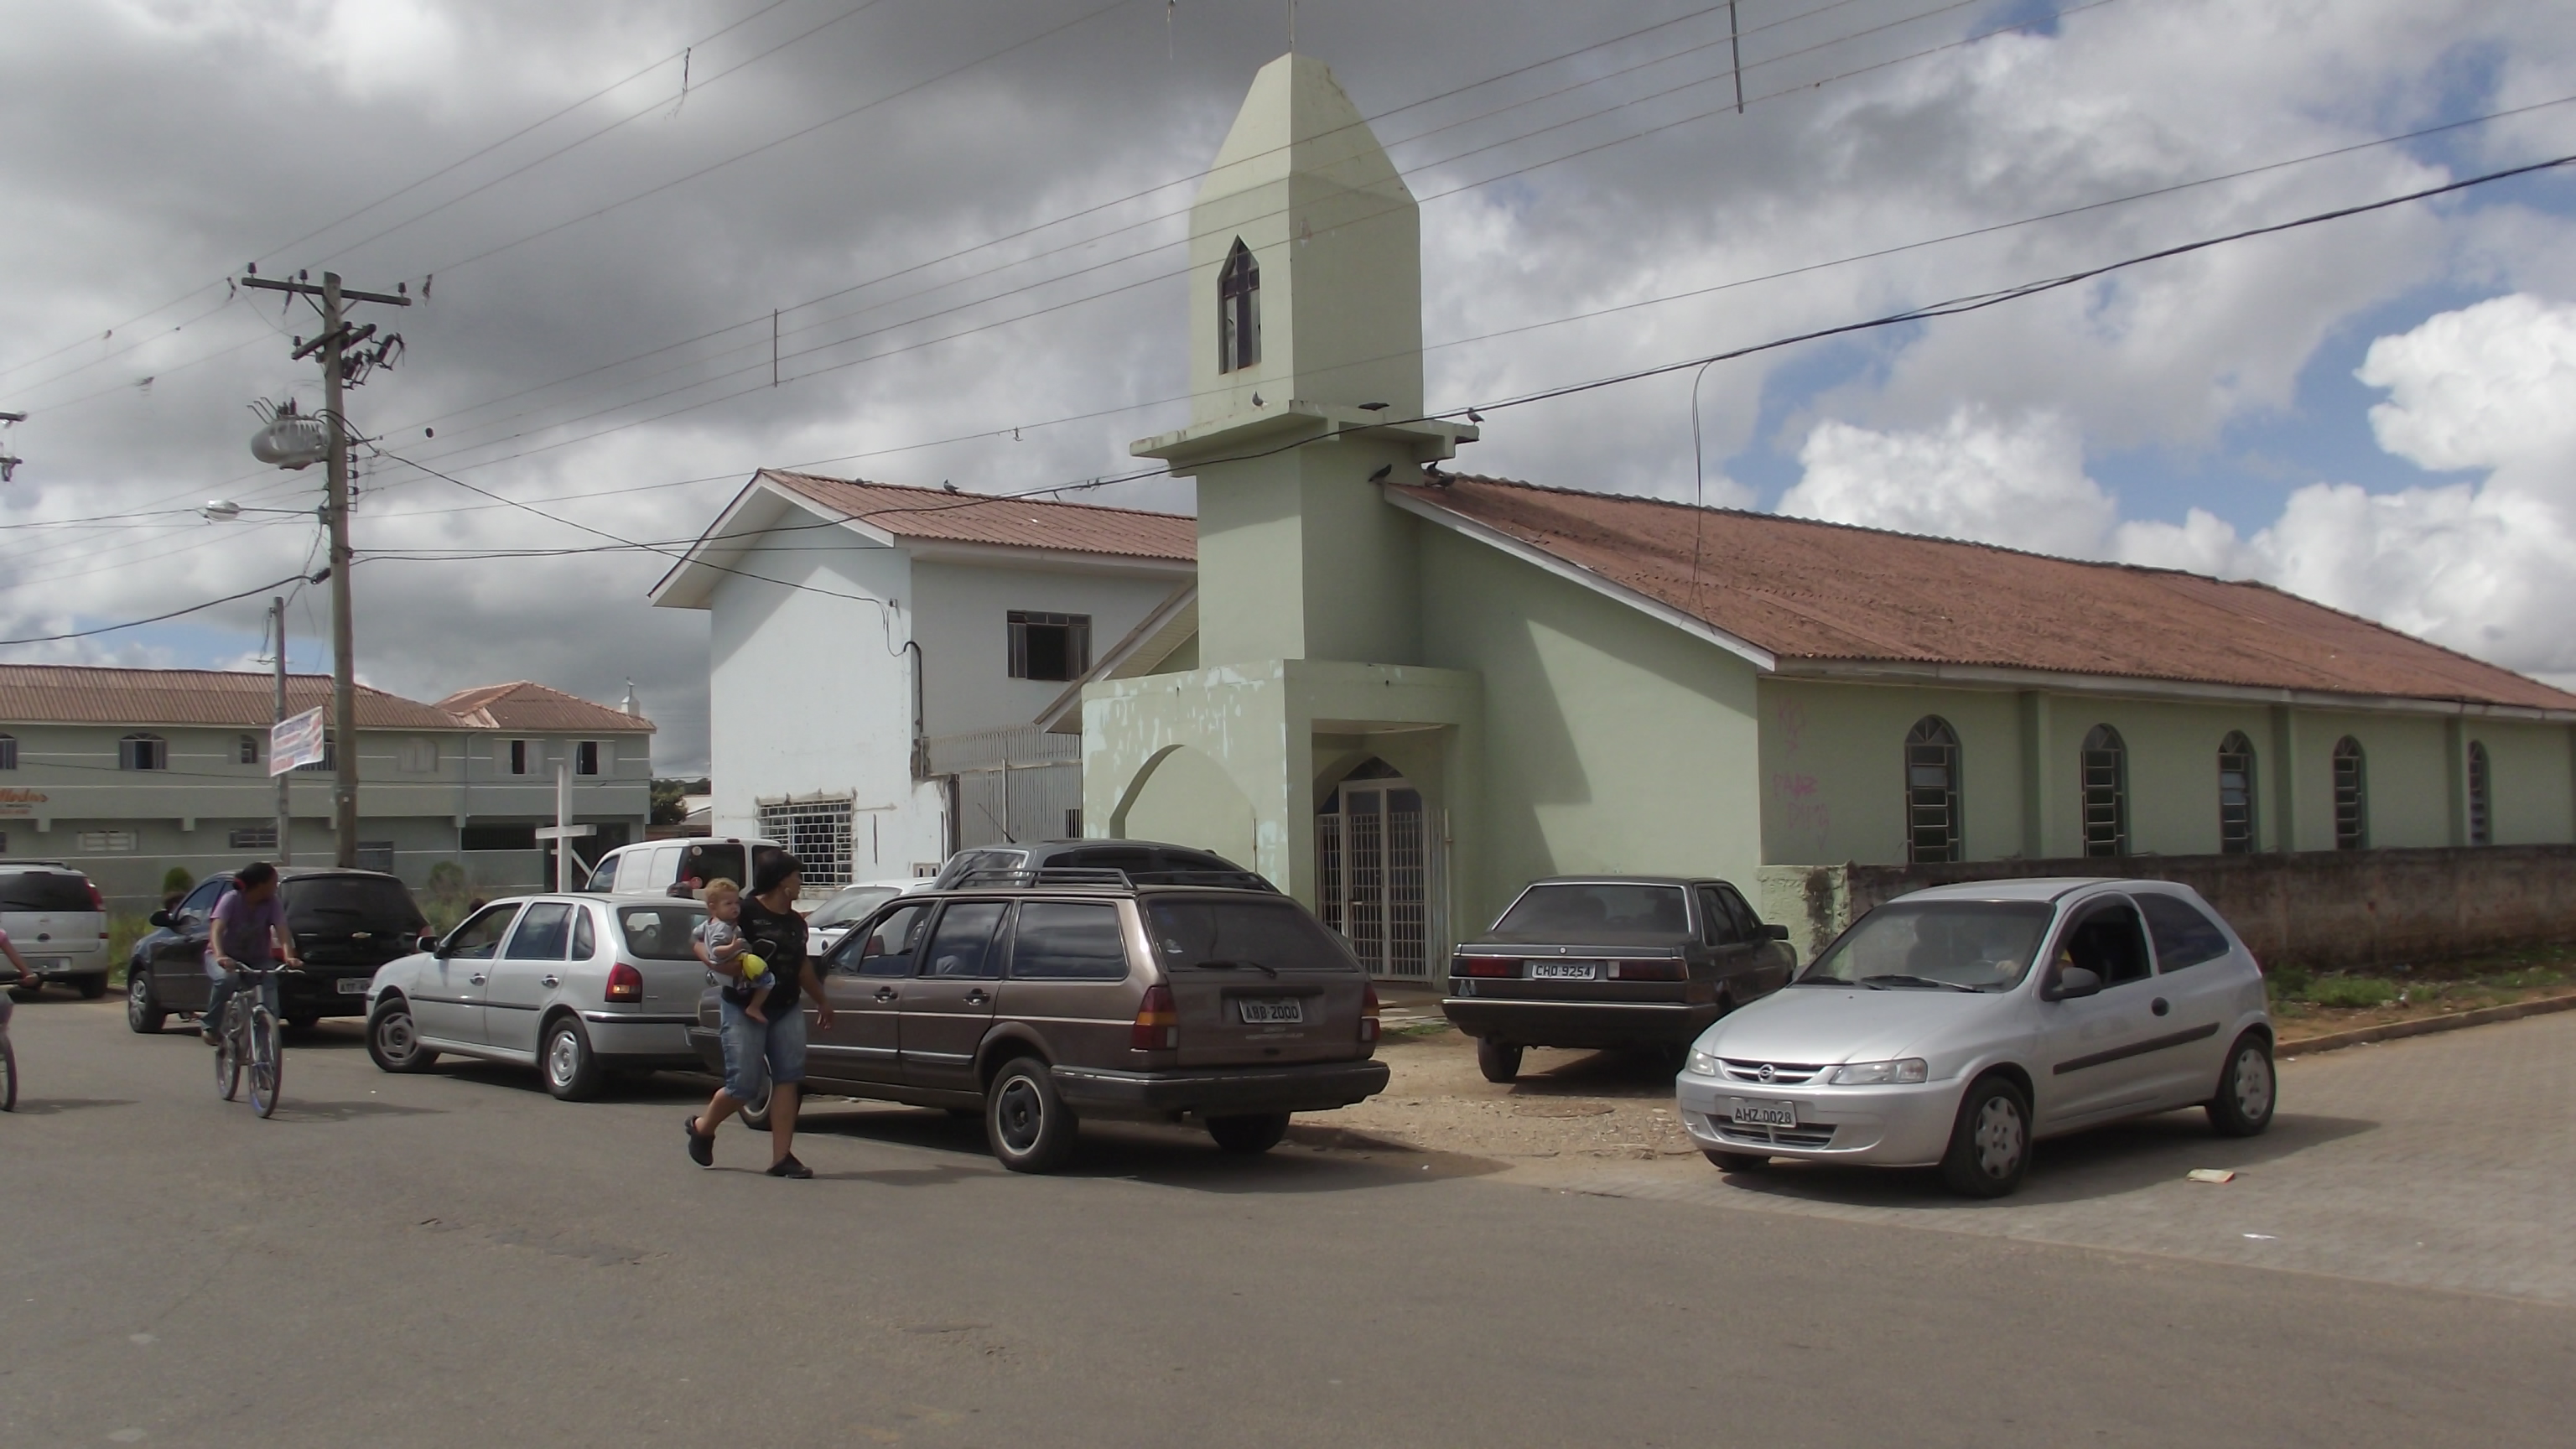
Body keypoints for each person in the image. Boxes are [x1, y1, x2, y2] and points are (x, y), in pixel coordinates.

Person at [683, 853, 832, 1177]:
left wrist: (822, 1000)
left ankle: (781, 1158)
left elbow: (801, 966)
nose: (800, 882)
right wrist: (716, 963)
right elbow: (697, 939)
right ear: (781, 881)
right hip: (743, 1008)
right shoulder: (744, 911)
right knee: (743, 1086)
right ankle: (703, 1128)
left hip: (786, 1006)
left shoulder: (796, 923)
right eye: (796, 876)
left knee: (789, 1078)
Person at [202, 862, 299, 1046]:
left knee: (269, 982)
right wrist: (220, 956)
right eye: (273, 882)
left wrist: (289, 956)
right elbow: (216, 930)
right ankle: (211, 1026)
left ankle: (265, 1039)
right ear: (261, 884)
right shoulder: (232, 899)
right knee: (227, 979)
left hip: (257, 959)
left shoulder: (273, 903)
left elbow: (282, 930)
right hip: (224, 957)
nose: (276, 887)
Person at [693, 879, 771, 1024]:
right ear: (713, 907)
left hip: (724, 968)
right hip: (730, 960)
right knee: (768, 980)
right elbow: (716, 950)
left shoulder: (709, 923)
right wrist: (732, 947)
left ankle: (744, 988)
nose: (735, 907)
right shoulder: (722, 927)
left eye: (737, 903)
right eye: (728, 904)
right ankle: (754, 1006)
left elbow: (696, 934)